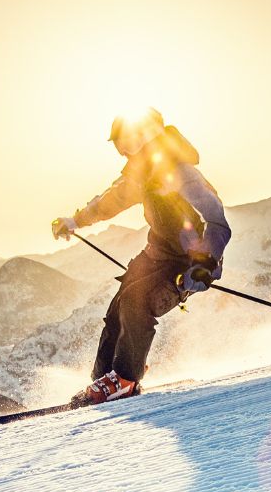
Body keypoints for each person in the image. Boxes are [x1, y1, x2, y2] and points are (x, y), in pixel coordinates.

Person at [52, 108, 231, 405]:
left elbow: (215, 219)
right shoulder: (141, 175)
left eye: (123, 143)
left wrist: (206, 263)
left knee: (138, 302)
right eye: (118, 146)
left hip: (191, 262)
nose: (121, 152)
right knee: (118, 306)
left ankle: (124, 378)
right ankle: (105, 378)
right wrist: (75, 221)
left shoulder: (180, 173)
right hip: (157, 254)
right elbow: (108, 203)